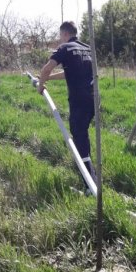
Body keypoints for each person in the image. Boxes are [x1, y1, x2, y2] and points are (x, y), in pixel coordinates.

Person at [37, 21, 96, 192]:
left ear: (64, 34)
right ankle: (91, 174)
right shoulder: (87, 48)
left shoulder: (65, 48)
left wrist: (41, 85)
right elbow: (68, 73)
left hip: (78, 100)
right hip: (93, 99)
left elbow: (46, 68)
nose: (60, 39)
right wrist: (48, 78)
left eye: (60, 36)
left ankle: (89, 183)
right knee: (82, 134)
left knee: (79, 137)